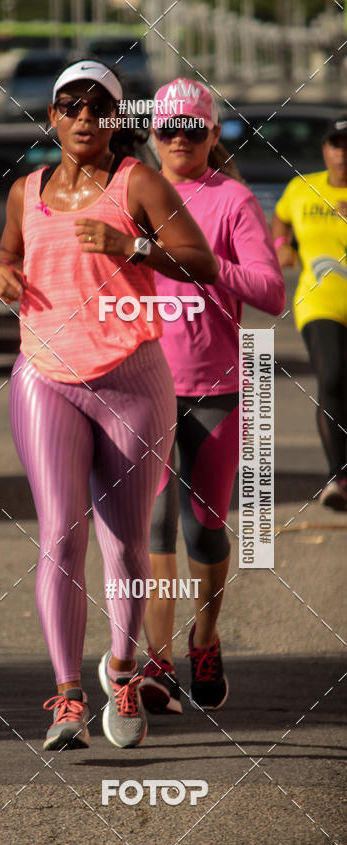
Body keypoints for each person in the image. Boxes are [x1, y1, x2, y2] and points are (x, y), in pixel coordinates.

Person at [0, 61, 218, 750]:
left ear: (118, 119)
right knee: (61, 532)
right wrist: (1, 272)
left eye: (99, 106)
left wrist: (132, 244)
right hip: (46, 374)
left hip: (131, 375)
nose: (85, 117)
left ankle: (122, 672)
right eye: (70, 105)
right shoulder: (25, 191)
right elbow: (7, 253)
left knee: (125, 538)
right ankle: (66, 699)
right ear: (52, 117)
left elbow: (201, 263)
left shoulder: (136, 183)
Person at [139, 79, 285, 716]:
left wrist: (203, 265)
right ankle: (155, 663)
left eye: (191, 130)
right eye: (166, 129)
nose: (177, 140)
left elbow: (272, 293)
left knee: (205, 534)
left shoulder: (233, 201)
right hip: (140, 385)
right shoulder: (132, 195)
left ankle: (204, 637)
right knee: (152, 530)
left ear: (213, 134)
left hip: (215, 390)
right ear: (151, 133)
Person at [272, 114, 347, 511]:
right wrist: (283, 243)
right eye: (337, 144)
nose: (343, 153)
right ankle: (340, 477)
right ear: (325, 149)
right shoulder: (302, 189)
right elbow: (281, 216)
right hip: (320, 303)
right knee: (332, 377)